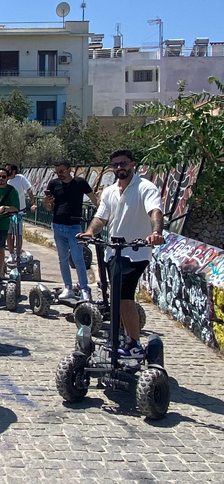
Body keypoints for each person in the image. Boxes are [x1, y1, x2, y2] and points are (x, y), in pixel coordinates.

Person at [78, 149, 164, 358]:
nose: (119, 168)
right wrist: (90, 232)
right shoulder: (109, 191)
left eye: (123, 163)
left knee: (125, 298)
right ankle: (119, 339)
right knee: (115, 298)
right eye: (115, 165)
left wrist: (156, 233)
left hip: (136, 252)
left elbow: (155, 211)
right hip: (113, 252)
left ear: (132, 164)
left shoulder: (145, 188)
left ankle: (133, 343)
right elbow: (101, 218)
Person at [44, 159, 100, 301]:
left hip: (74, 226)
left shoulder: (79, 182)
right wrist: (47, 203)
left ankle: (84, 289)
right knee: (62, 258)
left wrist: (103, 213)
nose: (59, 175)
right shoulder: (53, 184)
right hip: (58, 225)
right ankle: (68, 287)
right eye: (56, 172)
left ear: (69, 169)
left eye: (62, 171)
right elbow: (49, 208)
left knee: (78, 259)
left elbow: (94, 200)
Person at [5, 163, 37, 259]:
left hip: (19, 211)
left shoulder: (20, 178)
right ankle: (11, 254)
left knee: (19, 233)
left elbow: (29, 190)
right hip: (7, 211)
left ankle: (18, 253)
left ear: (14, 171)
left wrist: (34, 203)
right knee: (9, 233)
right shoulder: (5, 180)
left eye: (8, 170)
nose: (6, 172)